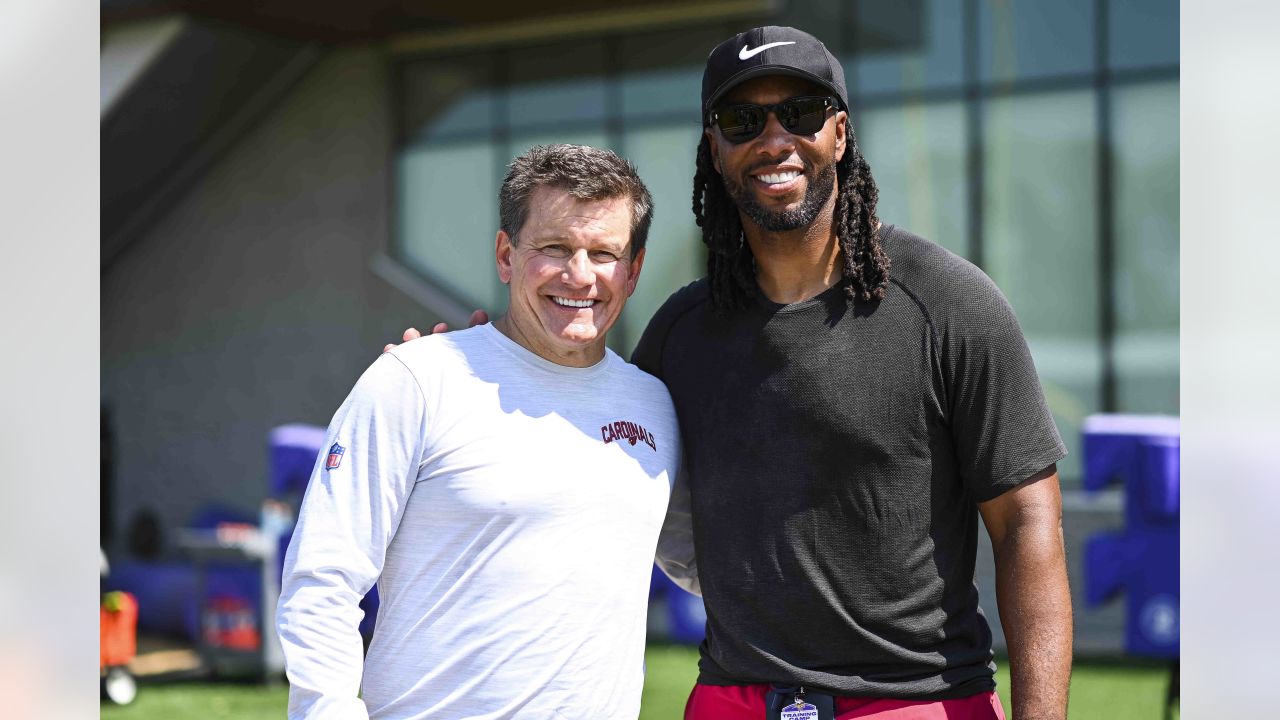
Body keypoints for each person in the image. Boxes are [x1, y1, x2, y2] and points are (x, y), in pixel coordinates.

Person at [394, 26, 1071, 720]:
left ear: (839, 133)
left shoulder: (951, 305)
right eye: (742, 121)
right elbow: (580, 442)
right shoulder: (682, 333)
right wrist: (481, 375)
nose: (774, 140)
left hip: (912, 701)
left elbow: (1026, 522)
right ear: (715, 151)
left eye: (801, 113)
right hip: (731, 698)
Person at [278, 144, 683, 719]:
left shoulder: (655, 406)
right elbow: (321, 578)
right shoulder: (416, 380)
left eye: (603, 253)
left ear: (634, 270)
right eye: (554, 248)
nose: (580, 274)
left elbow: (701, 564)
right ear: (505, 254)